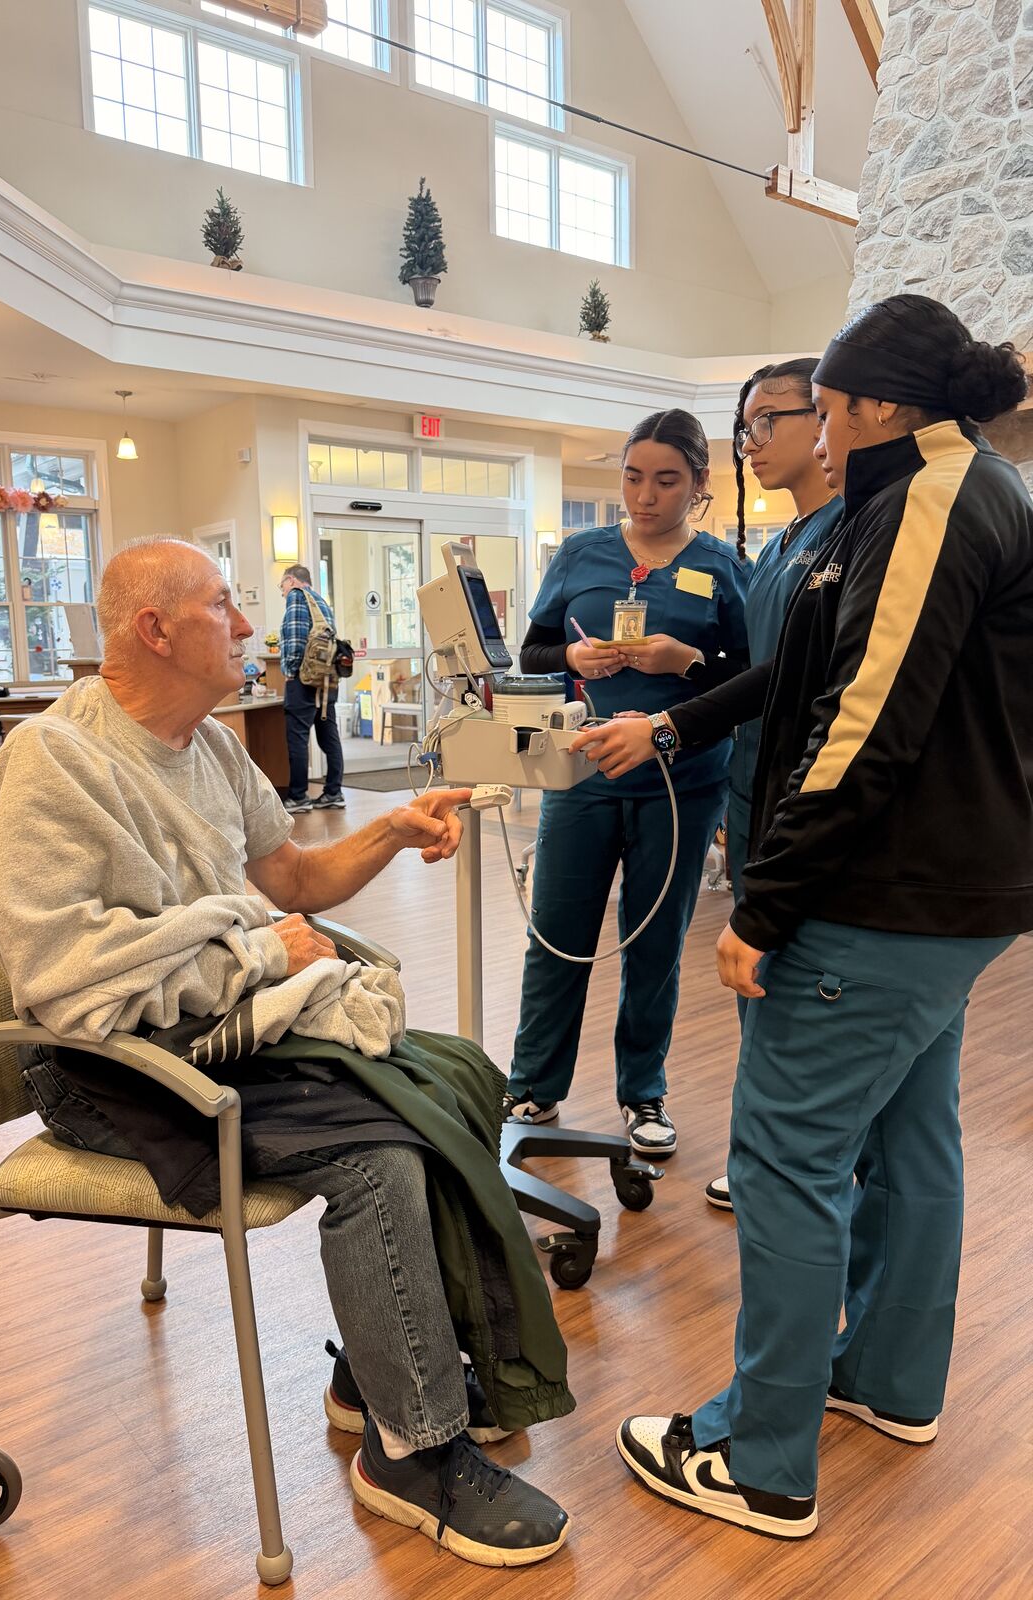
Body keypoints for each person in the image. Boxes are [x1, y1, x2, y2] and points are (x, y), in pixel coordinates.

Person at [0, 538, 572, 1568]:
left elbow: (291, 875)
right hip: (106, 1069)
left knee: (461, 1075)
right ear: (155, 630)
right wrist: (249, 950)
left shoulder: (209, 746)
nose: (250, 625)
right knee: (379, 1153)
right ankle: (412, 1452)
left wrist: (387, 832)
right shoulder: (55, 761)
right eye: (224, 605)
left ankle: (373, 1377)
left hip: (221, 1033)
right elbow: (58, 975)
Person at [578, 296, 1031, 1537]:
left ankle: (759, 1453)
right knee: (914, 1139)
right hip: (933, 902)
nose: (814, 435)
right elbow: (805, 667)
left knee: (785, 1161)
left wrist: (765, 904)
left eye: (821, 410)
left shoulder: (938, 498)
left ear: (877, 403)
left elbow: (867, 721)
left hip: (878, 895)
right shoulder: (899, 507)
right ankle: (885, 1380)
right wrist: (674, 723)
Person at [505, 409, 749, 1159]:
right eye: (634, 477)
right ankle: (534, 1084)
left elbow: (748, 679)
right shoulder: (581, 555)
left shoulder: (724, 569)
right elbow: (535, 648)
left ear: (699, 484)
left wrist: (684, 664)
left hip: (683, 781)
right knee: (559, 936)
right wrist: (573, 664)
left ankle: (643, 1093)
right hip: (582, 778)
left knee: (653, 943)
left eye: (667, 480)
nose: (646, 496)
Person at [702, 359, 844, 1211]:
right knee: (753, 991)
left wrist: (673, 724)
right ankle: (756, 1152)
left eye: (767, 421)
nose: (751, 442)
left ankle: (779, 1160)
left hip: (802, 797)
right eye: (743, 427)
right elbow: (760, 670)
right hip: (751, 788)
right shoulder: (785, 545)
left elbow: (803, 682)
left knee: (787, 990)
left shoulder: (846, 541)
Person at [279, 562, 344, 814]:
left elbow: (295, 637)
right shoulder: (321, 602)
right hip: (327, 681)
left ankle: (298, 796)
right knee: (329, 736)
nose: (282, 591)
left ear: (292, 580)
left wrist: (290, 671)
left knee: (297, 738)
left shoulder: (297, 597)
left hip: (304, 681)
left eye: (282, 585)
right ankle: (333, 792)